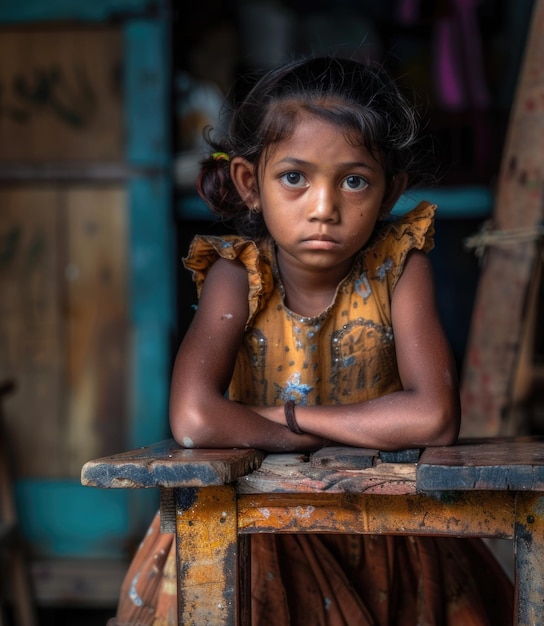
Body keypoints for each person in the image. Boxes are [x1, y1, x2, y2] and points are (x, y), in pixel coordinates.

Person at [112, 56, 513, 626]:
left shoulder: (398, 266)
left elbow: (433, 417)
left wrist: (287, 420)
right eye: (294, 177)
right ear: (250, 183)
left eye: (354, 180)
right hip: (250, 527)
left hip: (385, 528)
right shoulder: (237, 273)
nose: (324, 209)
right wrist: (345, 429)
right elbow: (197, 419)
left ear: (390, 191)